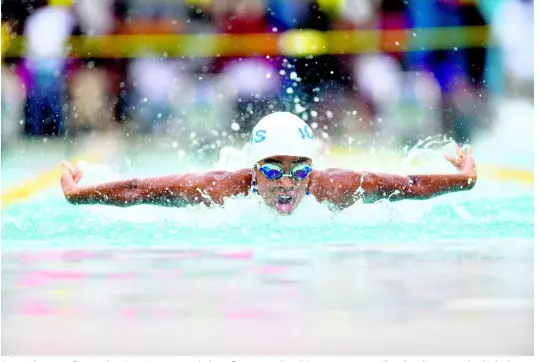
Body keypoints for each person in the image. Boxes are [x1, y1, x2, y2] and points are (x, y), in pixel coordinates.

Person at [61, 112, 477, 215]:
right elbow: (139, 190)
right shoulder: (222, 188)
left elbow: (409, 184)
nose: (286, 184)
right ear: (254, 169)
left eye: (298, 169)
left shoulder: (334, 186)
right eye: (273, 170)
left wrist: (464, 180)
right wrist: (80, 195)